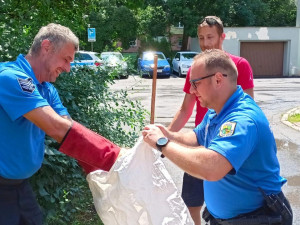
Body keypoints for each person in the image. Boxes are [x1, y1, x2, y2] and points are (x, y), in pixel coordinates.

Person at [143, 49, 292, 225]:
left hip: (259, 218)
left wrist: (163, 144)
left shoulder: (243, 120)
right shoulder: (217, 110)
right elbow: (197, 136)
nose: (191, 89)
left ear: (218, 79)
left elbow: (212, 167)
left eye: (195, 83)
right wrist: (170, 135)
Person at [0, 23, 121, 225]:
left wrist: (103, 166)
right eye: (66, 60)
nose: (67, 68)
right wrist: (116, 158)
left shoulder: (46, 89)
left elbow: (68, 127)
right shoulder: (11, 78)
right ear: (46, 47)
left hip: (19, 186)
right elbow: (57, 129)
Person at [168, 16, 254, 224]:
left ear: (222, 37)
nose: (205, 43)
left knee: (229, 203)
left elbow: (248, 107)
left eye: (210, 37)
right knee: (192, 200)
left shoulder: (239, 66)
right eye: (201, 38)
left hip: (228, 144)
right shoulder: (195, 69)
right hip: (201, 141)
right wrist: (165, 135)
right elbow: (185, 109)